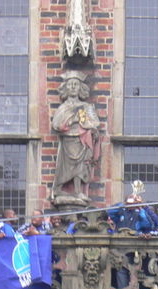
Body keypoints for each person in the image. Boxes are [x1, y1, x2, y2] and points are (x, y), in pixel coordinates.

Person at [51, 71, 100, 201]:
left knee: (81, 167)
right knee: (65, 168)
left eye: (76, 85)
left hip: (82, 140)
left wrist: (87, 125)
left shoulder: (86, 106)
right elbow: (56, 124)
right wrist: (70, 121)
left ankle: (78, 191)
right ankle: (59, 189)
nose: (73, 87)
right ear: (65, 88)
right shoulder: (63, 107)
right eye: (70, 84)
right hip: (68, 140)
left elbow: (95, 122)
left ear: (80, 88)